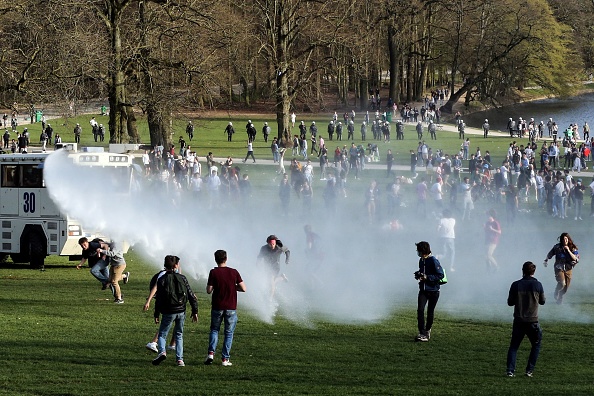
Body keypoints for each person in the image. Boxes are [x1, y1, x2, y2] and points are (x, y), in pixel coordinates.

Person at [152, 255, 198, 367]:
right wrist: (195, 310)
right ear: (176, 265)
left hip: (168, 311)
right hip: (181, 310)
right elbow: (191, 295)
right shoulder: (182, 278)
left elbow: (159, 299)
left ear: (164, 265)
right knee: (179, 334)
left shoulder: (162, 279)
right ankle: (180, 360)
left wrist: (156, 314)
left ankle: (162, 352)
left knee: (163, 334)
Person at [204, 250, 246, 367]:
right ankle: (224, 359)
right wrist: (233, 287)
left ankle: (211, 353)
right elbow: (243, 288)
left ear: (215, 259)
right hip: (231, 307)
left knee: (214, 330)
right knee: (228, 333)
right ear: (226, 259)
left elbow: (208, 290)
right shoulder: (234, 272)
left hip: (217, 306)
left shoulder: (213, 272)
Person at [506, 261, 545, 378]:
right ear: (534, 271)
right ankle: (529, 370)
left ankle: (510, 370)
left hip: (518, 320)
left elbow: (510, 302)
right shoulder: (538, 285)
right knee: (536, 345)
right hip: (532, 321)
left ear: (522, 271)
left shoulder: (515, 285)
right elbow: (542, 301)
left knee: (514, 346)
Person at [414, 241, 445, 342]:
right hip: (423, 290)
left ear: (423, 251)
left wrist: (427, 277)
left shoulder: (433, 260)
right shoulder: (421, 260)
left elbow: (440, 275)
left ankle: (427, 331)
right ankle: (422, 332)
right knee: (420, 310)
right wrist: (419, 274)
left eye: (418, 250)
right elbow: (423, 272)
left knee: (430, 312)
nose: (417, 252)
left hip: (434, 291)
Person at [543, 232, 579, 304]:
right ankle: (556, 291)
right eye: (563, 239)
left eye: (566, 239)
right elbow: (550, 253)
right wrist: (546, 260)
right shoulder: (557, 247)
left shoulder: (573, 247)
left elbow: (575, 258)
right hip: (559, 267)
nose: (565, 240)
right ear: (561, 240)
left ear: (568, 239)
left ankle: (560, 297)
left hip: (568, 268)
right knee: (562, 283)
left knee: (566, 287)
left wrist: (568, 250)